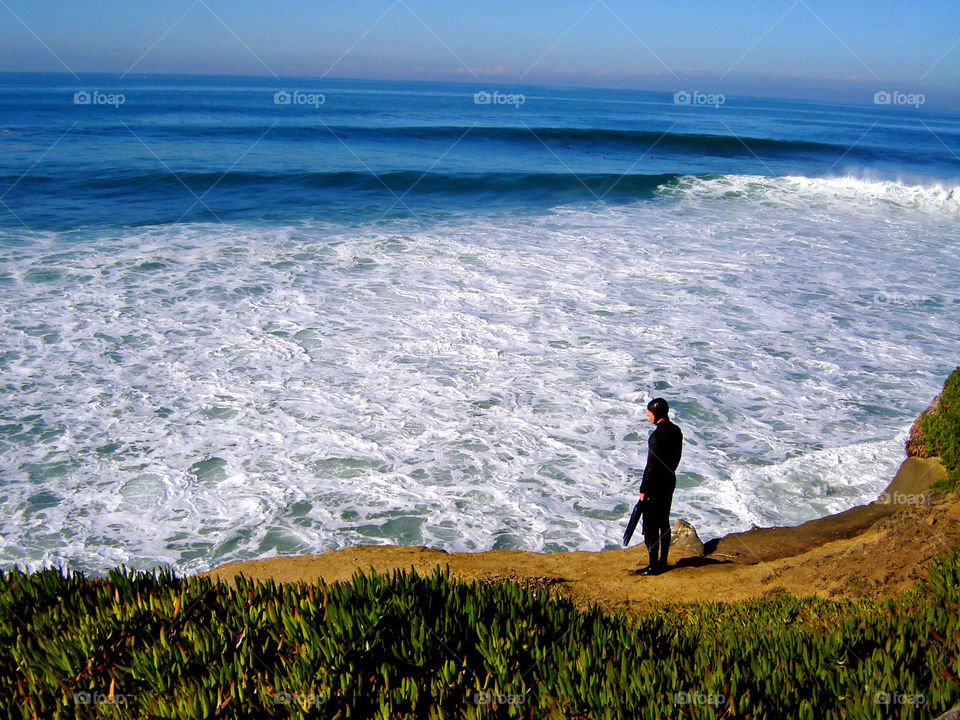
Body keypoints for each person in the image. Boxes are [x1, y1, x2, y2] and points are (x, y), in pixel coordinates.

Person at [635, 397, 682, 576]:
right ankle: (663, 561)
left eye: (649, 414)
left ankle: (653, 565)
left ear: (656, 415)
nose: (648, 417)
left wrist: (643, 488)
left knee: (652, 525)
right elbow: (676, 457)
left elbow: (651, 465)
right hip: (670, 479)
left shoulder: (656, 437)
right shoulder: (676, 431)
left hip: (655, 485)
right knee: (664, 521)